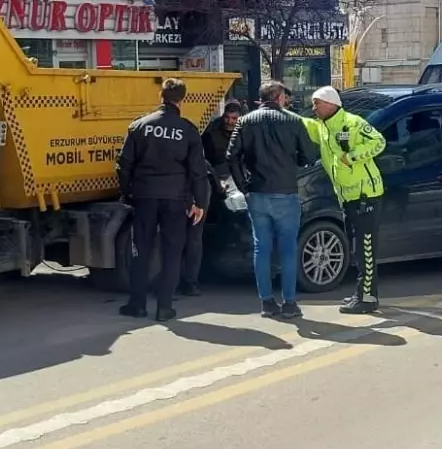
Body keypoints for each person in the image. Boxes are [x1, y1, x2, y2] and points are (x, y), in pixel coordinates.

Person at [116, 78, 208, 322]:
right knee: (172, 252)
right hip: (176, 199)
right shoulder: (188, 130)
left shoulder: (139, 126)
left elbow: (123, 164)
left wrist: (127, 192)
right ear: (182, 99)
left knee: (141, 251)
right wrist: (200, 203)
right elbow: (198, 171)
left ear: (161, 96)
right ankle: (165, 307)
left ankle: (137, 304)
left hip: (144, 196)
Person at [226, 81, 317, 319]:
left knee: (262, 248)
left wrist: (244, 186)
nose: (287, 101)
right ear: (278, 98)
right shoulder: (294, 121)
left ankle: (267, 302)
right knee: (288, 249)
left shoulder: (245, 121)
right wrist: (292, 161)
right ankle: (289, 303)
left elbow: (231, 156)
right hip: (286, 192)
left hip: (257, 193)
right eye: (285, 97)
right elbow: (309, 156)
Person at [301, 86, 387, 315]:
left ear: (329, 103)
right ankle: (362, 293)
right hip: (348, 197)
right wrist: (277, 110)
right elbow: (301, 123)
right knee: (357, 249)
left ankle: (368, 298)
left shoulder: (353, 122)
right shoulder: (322, 128)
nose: (313, 108)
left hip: (365, 195)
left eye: (316, 104)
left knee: (365, 248)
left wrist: (350, 158)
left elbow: (378, 142)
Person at [179, 100, 244, 297]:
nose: (230, 122)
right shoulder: (210, 134)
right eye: (227, 118)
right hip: (215, 178)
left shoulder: (244, 130)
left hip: (233, 177)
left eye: (234, 118)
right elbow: (204, 163)